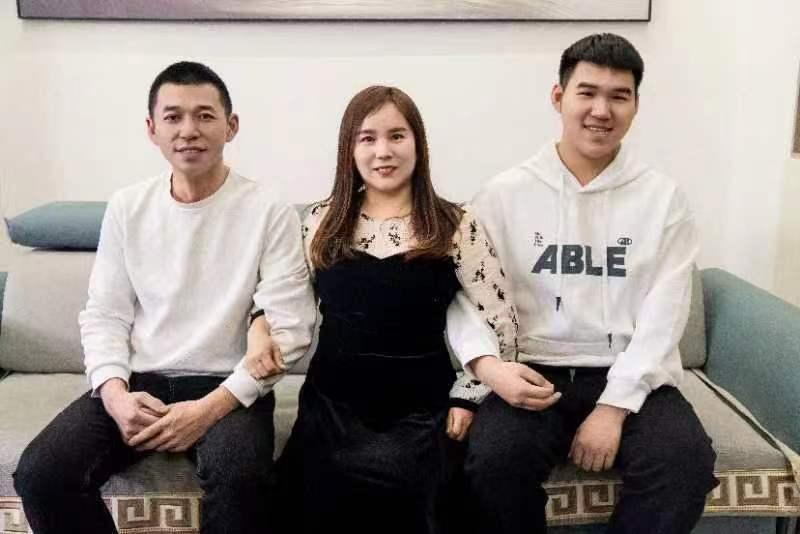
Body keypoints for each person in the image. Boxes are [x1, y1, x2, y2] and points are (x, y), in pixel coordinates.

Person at [12, 61, 316, 534]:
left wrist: (207, 411)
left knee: (242, 481)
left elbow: (289, 326)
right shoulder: (128, 207)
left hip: (228, 387)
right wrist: (115, 394)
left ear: (231, 126)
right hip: (140, 382)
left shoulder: (267, 209)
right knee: (41, 475)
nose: (188, 130)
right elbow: (105, 314)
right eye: (173, 117)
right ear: (152, 129)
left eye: (205, 115)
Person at [449, 33, 719, 533]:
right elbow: (470, 295)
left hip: (631, 371)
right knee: (493, 462)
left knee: (685, 465)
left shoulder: (663, 199)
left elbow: (665, 315)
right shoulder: (504, 194)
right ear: (558, 97)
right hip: (533, 371)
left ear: (636, 105)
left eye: (619, 96)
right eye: (587, 92)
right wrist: (490, 368)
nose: (601, 110)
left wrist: (613, 407)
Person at [245, 85, 532, 534]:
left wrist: (469, 397)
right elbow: (282, 300)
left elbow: (501, 321)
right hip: (332, 408)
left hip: (423, 409)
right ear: (349, 148)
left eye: (397, 136)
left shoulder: (456, 224)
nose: (383, 151)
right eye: (368, 138)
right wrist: (259, 328)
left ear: (418, 143)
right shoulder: (320, 221)